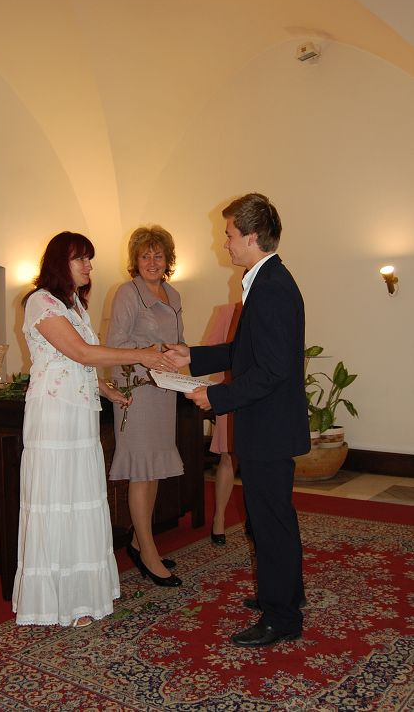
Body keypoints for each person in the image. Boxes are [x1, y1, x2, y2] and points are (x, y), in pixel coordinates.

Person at [165, 193, 309, 648]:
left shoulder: (271, 288)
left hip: (268, 427)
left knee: (269, 521)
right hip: (268, 424)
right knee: (274, 517)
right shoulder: (265, 281)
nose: (223, 243)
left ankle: (281, 617)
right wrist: (192, 357)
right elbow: (246, 352)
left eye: (228, 235)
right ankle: (285, 595)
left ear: (251, 237)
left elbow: (271, 370)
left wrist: (215, 396)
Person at [12, 231, 176, 627]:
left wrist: (106, 389)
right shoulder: (40, 302)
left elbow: (77, 364)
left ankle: (81, 595)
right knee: (58, 501)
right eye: (80, 259)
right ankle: (56, 603)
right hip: (54, 417)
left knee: (82, 499)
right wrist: (141, 354)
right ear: (60, 263)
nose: (89, 266)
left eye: (89, 258)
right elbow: (82, 352)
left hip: (81, 414)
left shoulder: (74, 306)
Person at [107, 226, 184, 587]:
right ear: (135, 261)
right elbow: (115, 344)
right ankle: (148, 554)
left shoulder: (173, 294)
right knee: (141, 470)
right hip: (135, 391)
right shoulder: (127, 293)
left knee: (153, 469)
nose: (152, 262)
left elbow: (178, 342)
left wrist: (181, 363)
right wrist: (149, 355)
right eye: (145, 255)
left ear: (168, 259)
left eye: (158, 255)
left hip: (163, 390)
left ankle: (140, 542)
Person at [204, 302, 242, 545]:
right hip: (229, 391)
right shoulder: (228, 312)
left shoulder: (269, 307)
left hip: (258, 395)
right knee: (228, 455)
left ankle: (257, 519)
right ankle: (219, 518)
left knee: (257, 460)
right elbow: (211, 354)